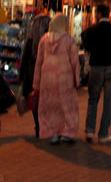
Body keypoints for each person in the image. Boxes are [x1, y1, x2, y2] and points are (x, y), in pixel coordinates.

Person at [82, 4, 111, 144]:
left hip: (96, 66)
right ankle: (103, 134)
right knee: (109, 101)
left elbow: (86, 47)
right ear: (109, 14)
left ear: (99, 14)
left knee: (93, 99)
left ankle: (89, 131)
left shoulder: (90, 30)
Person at [33, 14, 80, 144]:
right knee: (67, 106)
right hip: (65, 77)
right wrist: (77, 79)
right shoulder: (69, 40)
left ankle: (53, 133)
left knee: (51, 107)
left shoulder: (44, 39)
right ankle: (67, 133)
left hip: (47, 78)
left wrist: (36, 83)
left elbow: (39, 61)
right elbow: (75, 62)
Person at [18, 14, 51, 138]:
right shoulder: (50, 39)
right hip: (47, 73)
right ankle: (44, 126)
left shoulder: (31, 40)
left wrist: (21, 76)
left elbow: (24, 58)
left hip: (32, 75)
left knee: (35, 101)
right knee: (46, 101)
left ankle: (38, 126)